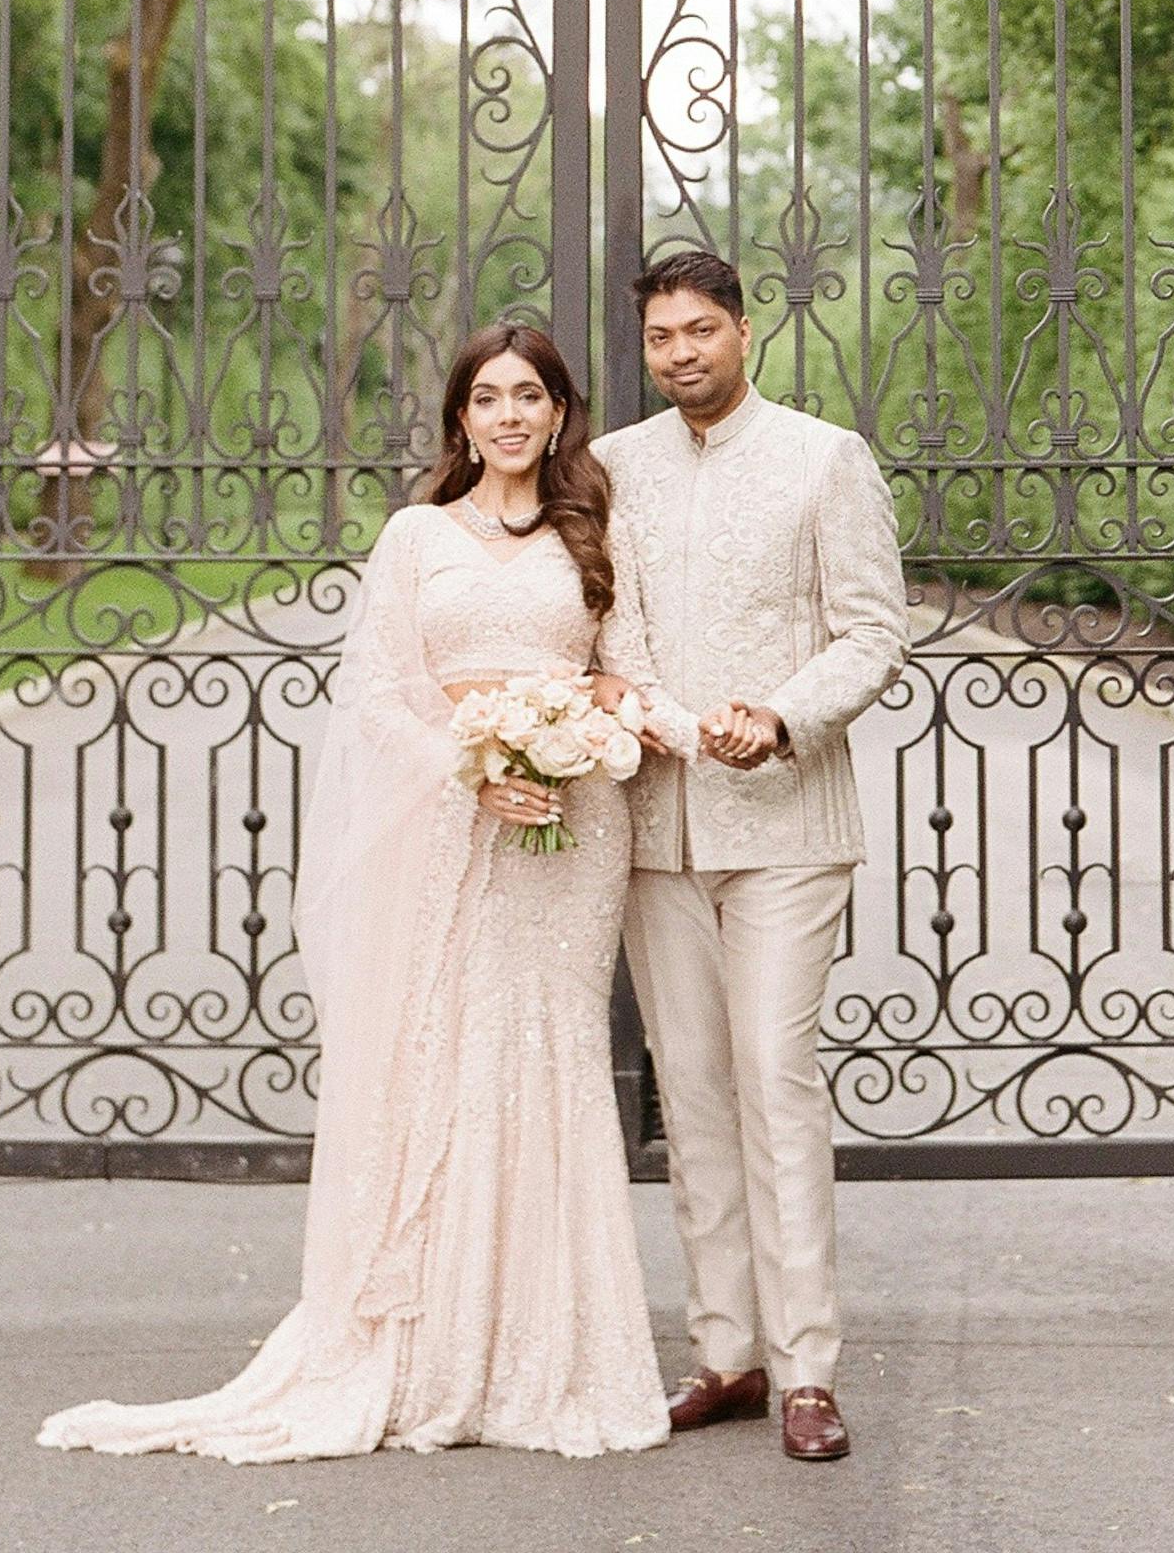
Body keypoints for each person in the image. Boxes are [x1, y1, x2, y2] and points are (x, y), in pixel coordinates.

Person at [37, 321, 694, 1464]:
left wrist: (647, 732)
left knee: (546, 1059)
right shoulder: (411, 539)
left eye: (529, 396)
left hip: (572, 832)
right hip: (454, 822)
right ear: (459, 418)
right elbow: (379, 691)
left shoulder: (596, 534)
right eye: (486, 397)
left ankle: (552, 1353)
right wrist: (474, 761)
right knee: (445, 1060)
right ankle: (433, 1342)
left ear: (558, 414)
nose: (507, 416)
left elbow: (621, 672)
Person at [594, 245, 909, 1467]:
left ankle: (809, 1370)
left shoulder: (825, 458)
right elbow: (603, 623)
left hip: (784, 823)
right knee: (697, 1090)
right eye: (662, 337)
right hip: (660, 831)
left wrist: (780, 713)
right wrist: (642, 708)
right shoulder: (614, 466)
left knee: (777, 1080)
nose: (681, 354)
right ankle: (725, 1353)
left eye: (699, 331)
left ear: (742, 328)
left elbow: (875, 633)